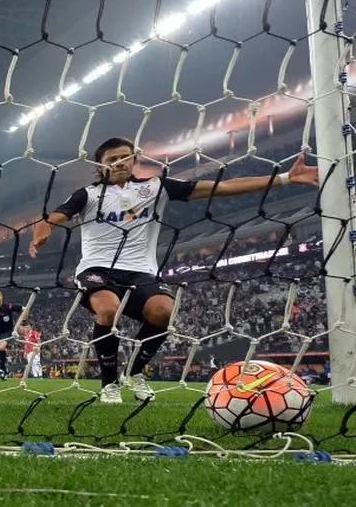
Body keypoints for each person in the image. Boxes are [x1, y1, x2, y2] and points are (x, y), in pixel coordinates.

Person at [29, 136, 319, 404]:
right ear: (101, 166)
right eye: (111, 159)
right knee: (108, 310)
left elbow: (223, 187)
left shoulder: (155, 187)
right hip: (97, 268)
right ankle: (109, 383)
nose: (118, 162)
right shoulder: (88, 195)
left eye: (124, 157)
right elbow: (53, 217)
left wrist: (285, 178)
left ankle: (135, 371)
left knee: (164, 312)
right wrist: (41, 233)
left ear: (134, 159)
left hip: (140, 270)